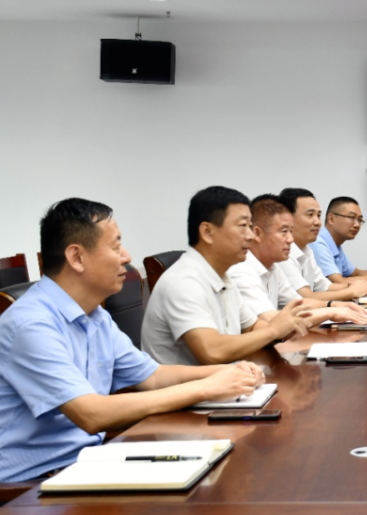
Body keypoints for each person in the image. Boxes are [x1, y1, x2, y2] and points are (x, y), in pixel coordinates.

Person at [0, 198, 264, 482]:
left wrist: (228, 372)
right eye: (116, 247)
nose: (126, 257)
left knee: (218, 469)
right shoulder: (32, 324)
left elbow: (153, 377)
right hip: (32, 485)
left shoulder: (95, 316)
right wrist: (206, 388)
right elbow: (91, 414)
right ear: (77, 257)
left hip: (87, 463)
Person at [141, 186, 312, 366]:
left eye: (250, 227)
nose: (250, 236)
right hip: (191, 384)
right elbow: (212, 351)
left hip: (226, 379)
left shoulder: (223, 277)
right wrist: (274, 331)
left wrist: (285, 328)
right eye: (243, 226)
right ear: (207, 232)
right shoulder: (183, 282)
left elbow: (252, 327)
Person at [228, 195, 367, 328]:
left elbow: (298, 302)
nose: (290, 239)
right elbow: (273, 322)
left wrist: (332, 305)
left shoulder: (274, 267)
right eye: (284, 232)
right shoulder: (241, 271)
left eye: (290, 231)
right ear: (257, 233)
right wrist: (330, 312)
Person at [276, 188, 367, 303]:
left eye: (318, 215)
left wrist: (357, 285)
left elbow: (326, 286)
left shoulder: (307, 250)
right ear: (287, 218)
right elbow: (305, 297)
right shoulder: (283, 253)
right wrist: (352, 291)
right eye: (310, 215)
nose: (317, 222)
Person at [308, 196, 367, 285]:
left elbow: (355, 273)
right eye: (351, 217)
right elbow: (340, 282)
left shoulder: (335, 245)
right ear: (331, 219)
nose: (357, 225)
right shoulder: (317, 244)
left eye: (359, 220)